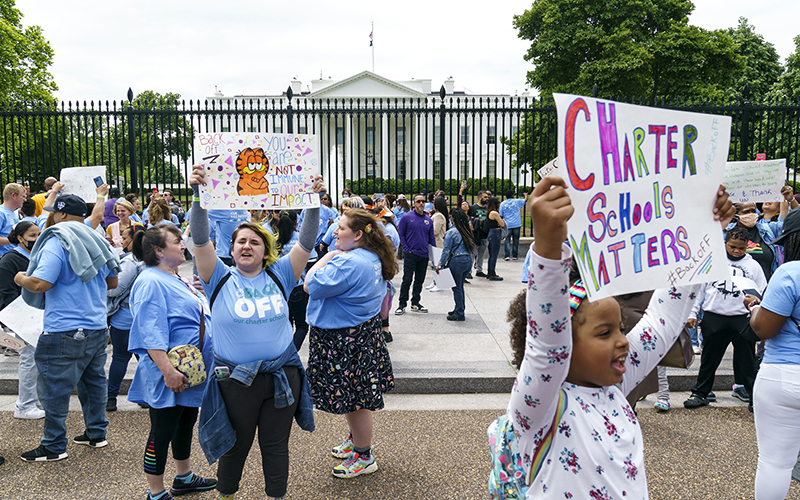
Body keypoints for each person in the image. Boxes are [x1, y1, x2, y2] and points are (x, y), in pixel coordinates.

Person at [498, 176, 733, 499]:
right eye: (605, 332)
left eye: (621, 328)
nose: (624, 341)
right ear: (565, 344)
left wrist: (704, 233)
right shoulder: (542, 404)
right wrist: (548, 249)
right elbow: (546, 345)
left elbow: (663, 319)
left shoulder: (615, 387)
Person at [190, 163, 321, 500]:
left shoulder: (281, 274)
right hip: (235, 381)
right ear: (232, 250)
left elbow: (306, 242)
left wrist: (313, 200)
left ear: (266, 251)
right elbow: (201, 238)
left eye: (254, 242)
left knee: (275, 446)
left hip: (282, 375)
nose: (246, 246)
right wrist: (198, 196)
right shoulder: (217, 277)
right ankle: (227, 495)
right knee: (236, 444)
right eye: (240, 242)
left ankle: (276, 496)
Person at [15, 193, 120, 462]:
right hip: (96, 326)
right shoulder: (95, 238)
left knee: (53, 388)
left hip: (64, 328)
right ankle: (96, 434)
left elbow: (41, 283)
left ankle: (53, 445)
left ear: (60, 214)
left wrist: (20, 277)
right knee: (94, 382)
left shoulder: (57, 239)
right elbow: (112, 283)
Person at [304, 208, 397, 478]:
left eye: (341, 227)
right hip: (359, 335)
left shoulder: (347, 262)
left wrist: (329, 255)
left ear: (357, 235)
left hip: (344, 339)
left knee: (356, 400)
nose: (334, 231)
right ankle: (357, 440)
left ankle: (363, 455)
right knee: (355, 396)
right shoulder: (371, 257)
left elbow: (311, 284)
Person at [127, 224, 216, 500]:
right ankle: (155, 492)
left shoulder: (174, 276)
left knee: (185, 422)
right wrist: (168, 371)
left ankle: (184, 477)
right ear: (158, 250)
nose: (182, 244)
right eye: (176, 241)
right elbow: (150, 330)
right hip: (171, 372)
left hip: (189, 371)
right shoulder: (151, 280)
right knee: (161, 431)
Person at [683, 226, 767, 409]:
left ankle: (756, 399)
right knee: (709, 359)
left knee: (748, 363)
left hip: (742, 319)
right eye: (732, 247)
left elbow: (763, 292)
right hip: (714, 317)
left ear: (747, 247)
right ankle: (700, 393)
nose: (736, 251)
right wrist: (692, 313)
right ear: (725, 244)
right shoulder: (711, 262)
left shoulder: (754, 266)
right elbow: (698, 291)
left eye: (741, 248)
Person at [747, 208, 800, 499]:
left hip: (783, 374)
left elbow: (765, 328)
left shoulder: (790, 272)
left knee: (775, 463)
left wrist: (754, 308)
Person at [0, 221, 45, 419]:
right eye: (32, 236)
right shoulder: (10, 260)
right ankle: (25, 405)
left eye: (38, 235)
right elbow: (5, 292)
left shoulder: (38, 256)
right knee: (29, 358)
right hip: (23, 317)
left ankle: (32, 401)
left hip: (37, 316)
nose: (36, 239)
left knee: (36, 359)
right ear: (20, 238)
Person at [106, 224, 145, 412]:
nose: (121, 240)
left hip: (125, 318)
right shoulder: (153, 261)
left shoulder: (131, 261)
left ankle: (111, 397)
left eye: (124, 237)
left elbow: (115, 289)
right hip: (144, 319)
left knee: (120, 358)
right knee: (145, 359)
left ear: (132, 240)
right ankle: (144, 396)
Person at [395, 194, 435, 315]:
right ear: (414, 203)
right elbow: (400, 233)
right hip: (411, 254)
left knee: (419, 280)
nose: (421, 203)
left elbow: (431, 238)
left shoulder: (428, 220)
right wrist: (407, 249)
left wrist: (435, 255)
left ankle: (415, 302)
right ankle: (402, 304)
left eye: (423, 201)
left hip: (424, 255)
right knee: (407, 279)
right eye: (418, 201)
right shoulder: (407, 217)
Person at [436, 210, 475, 321]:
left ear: (453, 219)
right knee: (460, 286)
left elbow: (446, 250)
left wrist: (440, 264)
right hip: (467, 260)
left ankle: (459, 313)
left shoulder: (451, 233)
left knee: (456, 287)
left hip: (457, 261)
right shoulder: (466, 231)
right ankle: (459, 308)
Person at [500, 190, 527, 261]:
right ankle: (515, 255)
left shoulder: (503, 204)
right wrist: (525, 195)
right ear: (512, 195)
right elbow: (525, 201)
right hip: (516, 223)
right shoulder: (517, 201)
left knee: (507, 240)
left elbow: (501, 215)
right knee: (516, 240)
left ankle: (507, 255)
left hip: (508, 224)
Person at [0, 183, 26, 256]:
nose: (25, 200)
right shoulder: (1, 213)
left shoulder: (14, 213)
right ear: (13, 196)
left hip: (13, 255)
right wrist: (14, 240)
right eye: (23, 196)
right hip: (4, 257)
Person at [484, 196, 505, 281]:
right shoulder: (494, 213)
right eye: (498, 202)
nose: (500, 204)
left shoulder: (490, 212)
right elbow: (502, 224)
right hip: (495, 233)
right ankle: (491, 272)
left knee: (492, 254)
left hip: (492, 233)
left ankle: (490, 272)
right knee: (494, 254)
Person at [469, 190, 490, 277]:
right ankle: (468, 271)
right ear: (480, 197)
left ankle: (479, 270)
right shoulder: (473, 208)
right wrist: (478, 221)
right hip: (475, 234)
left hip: (484, 234)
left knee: (482, 254)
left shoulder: (487, 209)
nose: (487, 199)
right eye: (485, 197)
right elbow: (469, 219)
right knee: (472, 254)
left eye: (488, 197)